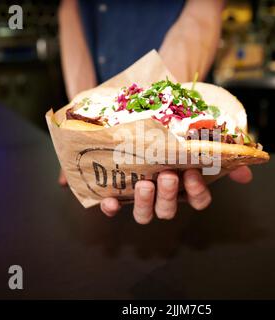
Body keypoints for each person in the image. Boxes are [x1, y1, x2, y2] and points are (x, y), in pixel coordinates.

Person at [58, 0, 253, 224]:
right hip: (103, 169)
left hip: (180, 95)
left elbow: (203, 10)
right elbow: (69, 7)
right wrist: (81, 134)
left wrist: (162, 114)